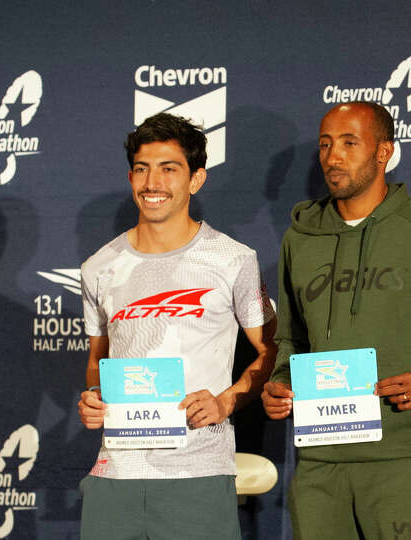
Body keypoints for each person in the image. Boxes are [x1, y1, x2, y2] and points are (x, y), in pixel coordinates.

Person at [262, 101, 411, 539]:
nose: (333, 156)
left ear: (384, 152)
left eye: (349, 143)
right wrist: (281, 383)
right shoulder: (299, 240)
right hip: (320, 463)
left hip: (401, 457)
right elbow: (289, 339)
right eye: (325, 144)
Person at [76, 112, 277, 540]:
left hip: (198, 473)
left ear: (196, 179)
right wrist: (94, 395)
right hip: (115, 474)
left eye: (170, 169)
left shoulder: (233, 259)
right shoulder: (98, 266)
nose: (153, 183)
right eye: (143, 169)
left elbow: (272, 349)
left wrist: (227, 401)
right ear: (131, 177)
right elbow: (99, 357)